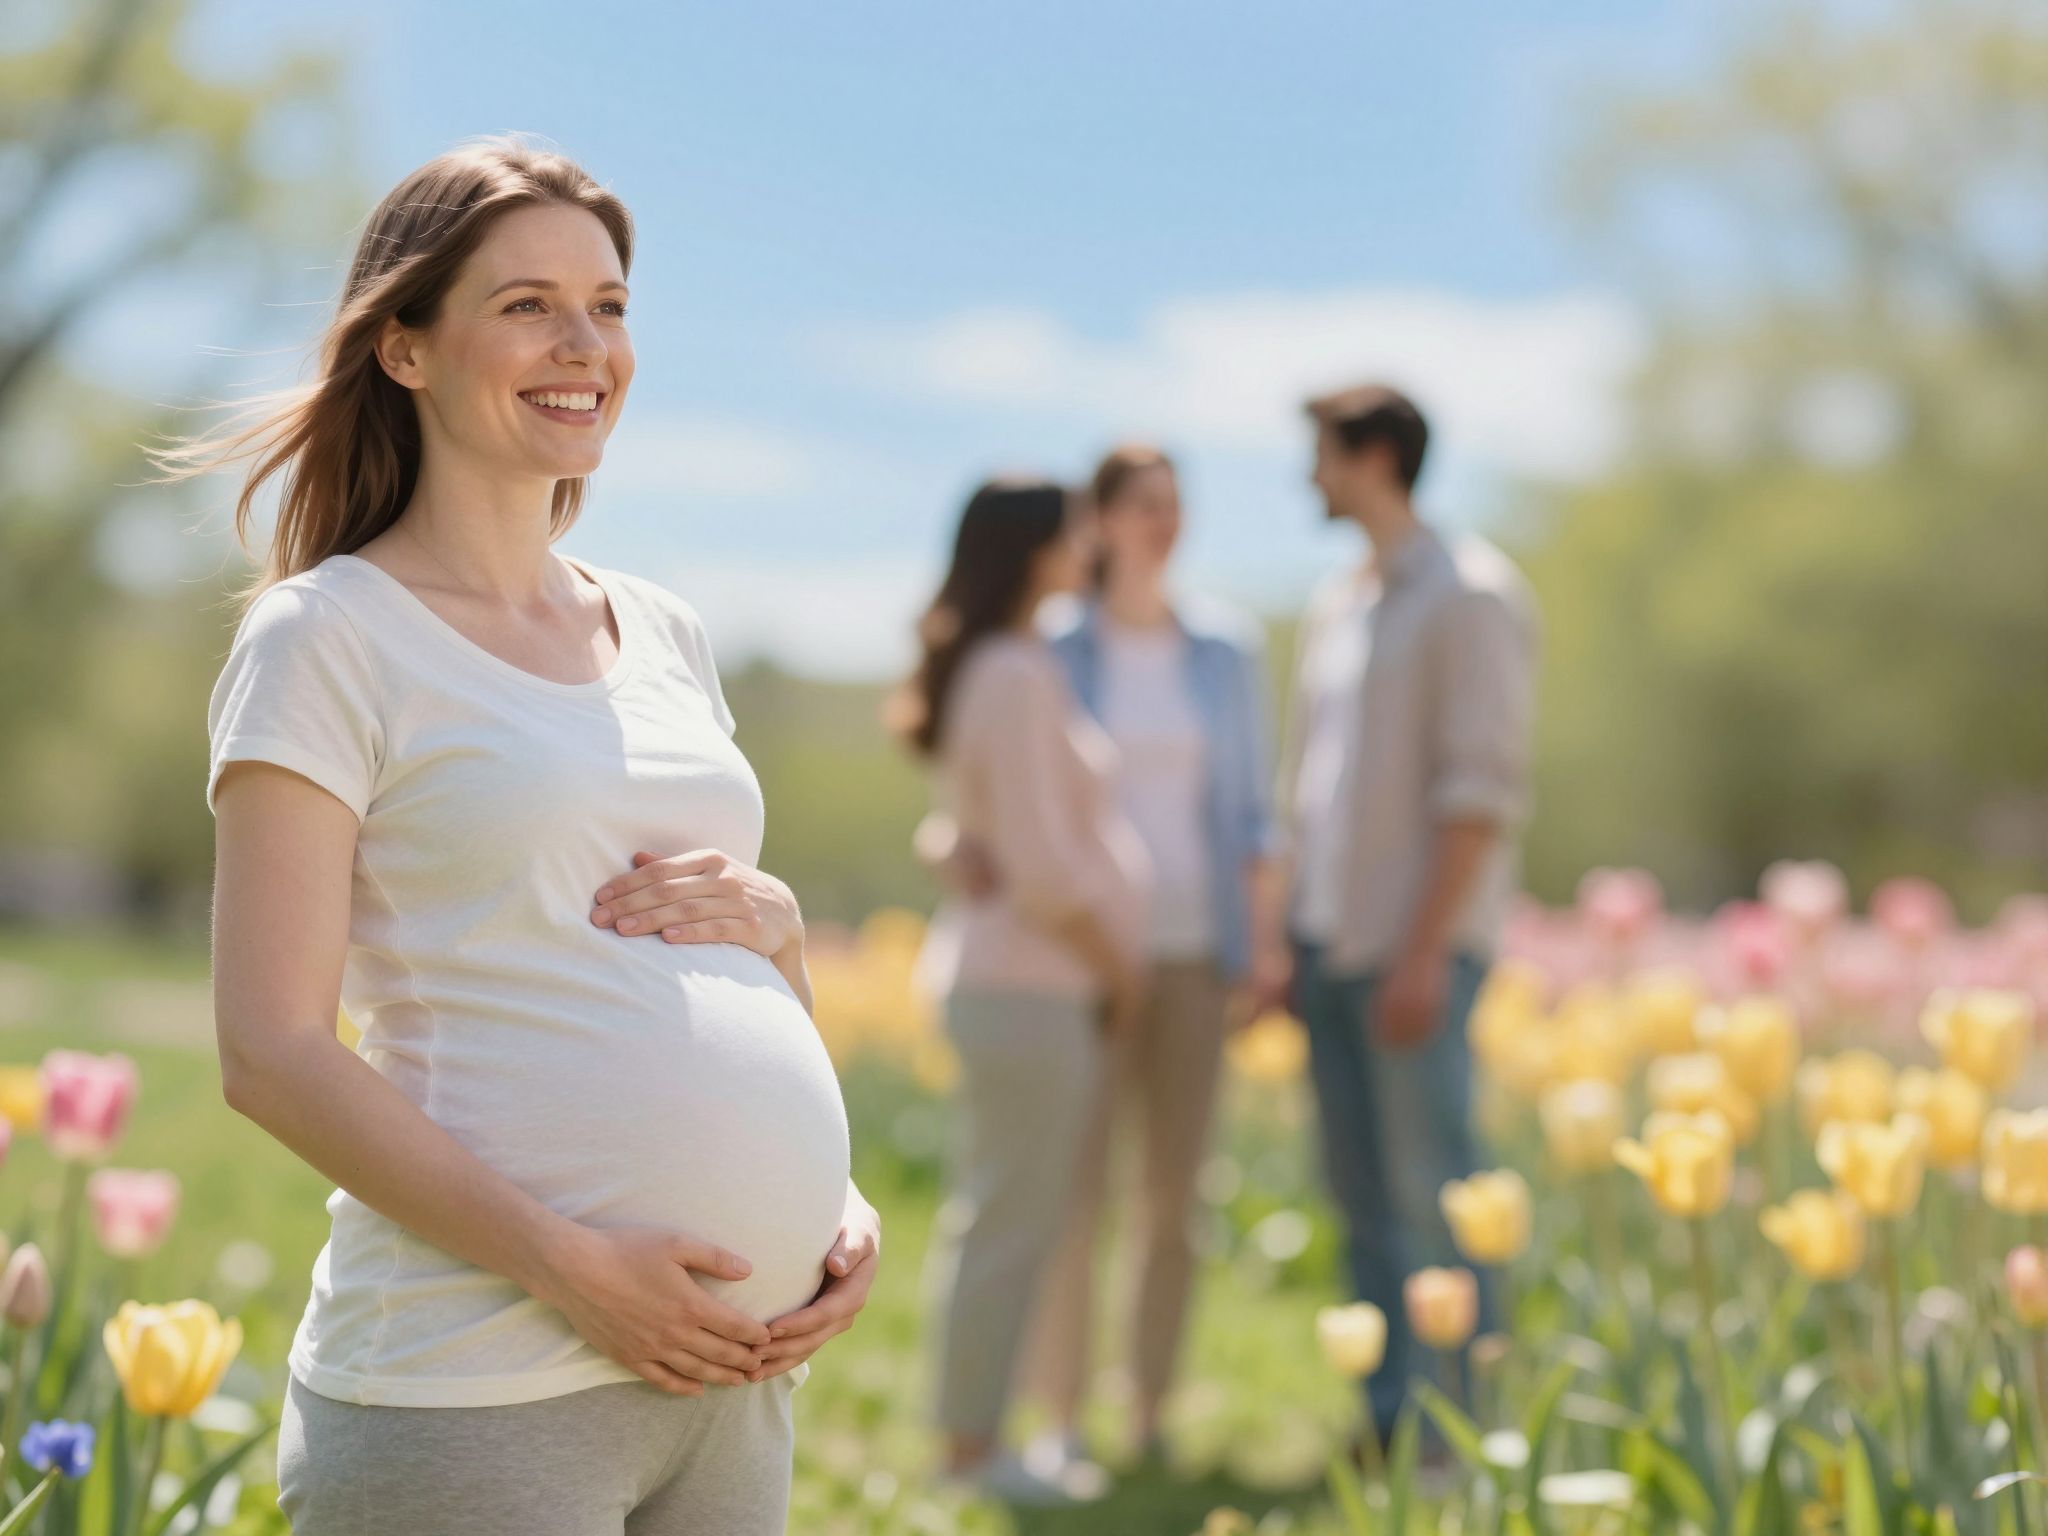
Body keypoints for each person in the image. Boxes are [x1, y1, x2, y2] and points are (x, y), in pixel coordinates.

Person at [176, 137, 878, 1534]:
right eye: (527, 304)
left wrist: (833, 1192)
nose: (586, 345)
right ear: (407, 350)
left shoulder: (665, 628)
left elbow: (696, 959)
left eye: (609, 305)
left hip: (730, 1388)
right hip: (474, 1390)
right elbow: (271, 1053)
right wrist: (569, 1267)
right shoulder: (325, 639)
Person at [926, 444, 1283, 1482]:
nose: (1156, 525)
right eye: (1135, 508)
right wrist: (946, 842)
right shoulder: (1046, 647)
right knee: (1065, 1197)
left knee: (1175, 1197)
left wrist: (1258, 951)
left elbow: (1252, 812)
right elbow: (999, 799)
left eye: (1173, 504)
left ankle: (1151, 1410)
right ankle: (1058, 1418)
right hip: (1073, 961)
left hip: (1187, 951)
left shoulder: (1223, 650)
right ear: (1092, 525)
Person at [1278, 384, 1539, 1445]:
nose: (1307, 478)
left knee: (1435, 1191)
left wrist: (1423, 952)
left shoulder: (1470, 595)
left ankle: (1457, 1426)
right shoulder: (1338, 602)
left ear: (1373, 458)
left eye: (1321, 456)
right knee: (1362, 1197)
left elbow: (1479, 794)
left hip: (1410, 949)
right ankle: (1393, 1415)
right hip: (1327, 942)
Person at [891, 477, 1152, 1507]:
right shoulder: (1010, 670)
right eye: (1075, 530)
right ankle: (968, 1450)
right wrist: (1118, 964)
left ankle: (979, 1436)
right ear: (1035, 548)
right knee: (1007, 1218)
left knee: (1012, 1214)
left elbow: (989, 833)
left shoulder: (1010, 662)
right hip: (1031, 987)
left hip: (1026, 985)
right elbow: (1041, 869)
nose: (1089, 544)